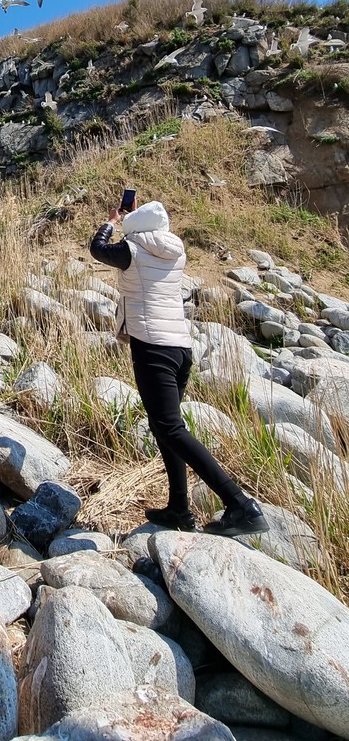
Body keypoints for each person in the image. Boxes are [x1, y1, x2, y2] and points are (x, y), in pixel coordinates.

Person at [90, 197, 269, 537]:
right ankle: (178, 508)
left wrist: (111, 221)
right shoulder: (175, 250)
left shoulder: (132, 249)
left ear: (134, 227)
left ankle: (240, 504)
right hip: (180, 348)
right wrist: (133, 219)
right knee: (164, 427)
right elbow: (144, 240)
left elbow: (98, 249)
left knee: (170, 428)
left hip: (152, 346)